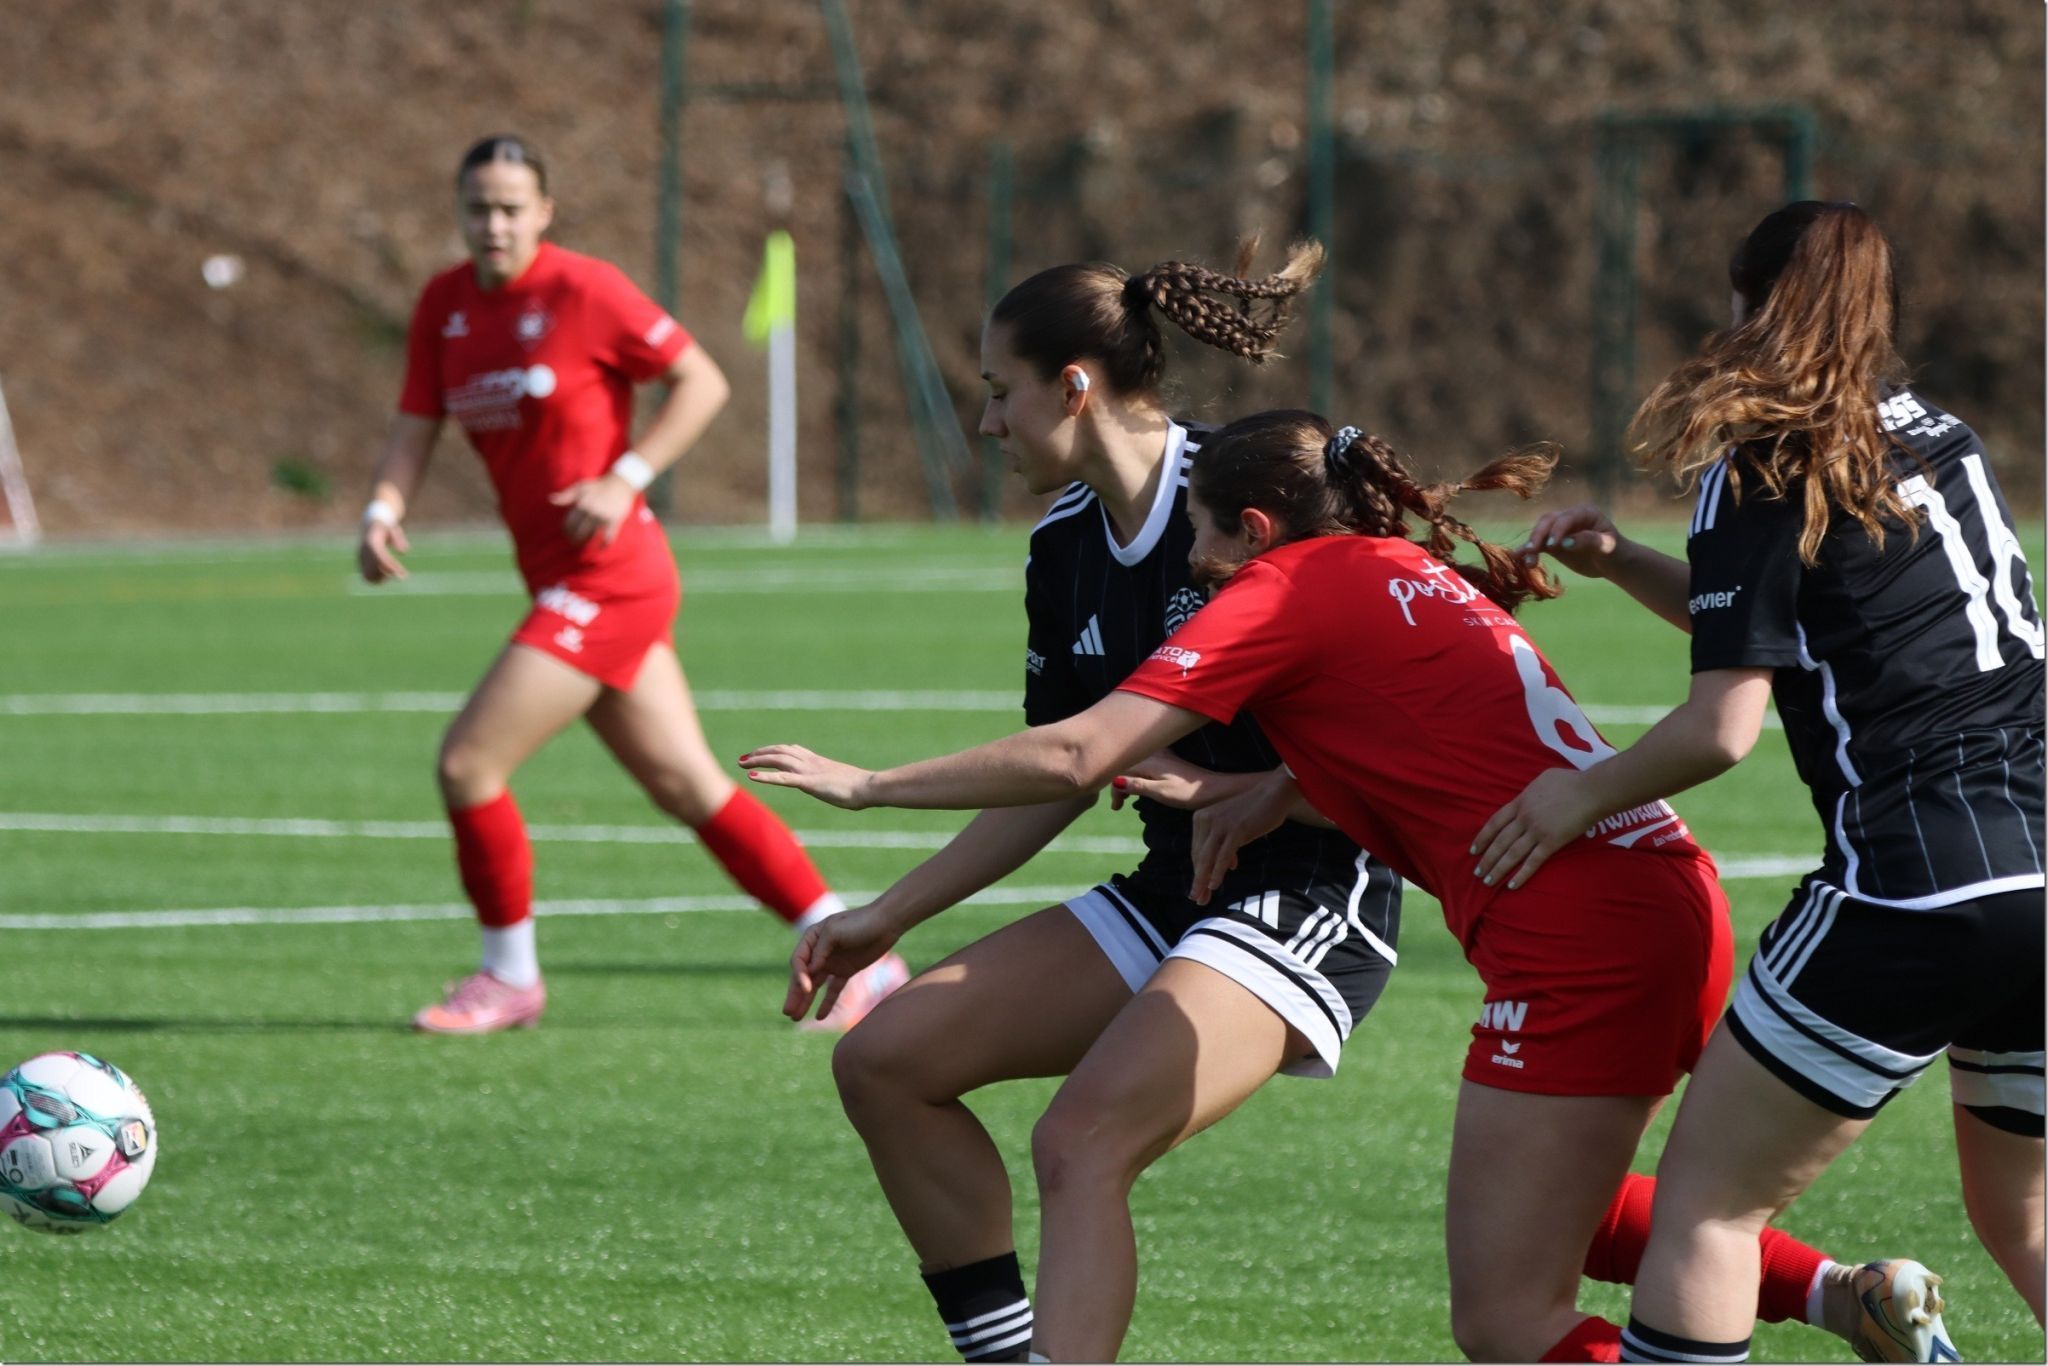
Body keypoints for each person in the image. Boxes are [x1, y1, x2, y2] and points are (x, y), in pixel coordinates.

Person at [745, 409, 1926, 1362]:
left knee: (1504, 1316)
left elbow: (1072, 752)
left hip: (1583, 934)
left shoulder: (1286, 587)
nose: (1193, 566)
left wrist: (863, 787)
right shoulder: (1393, 571)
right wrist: (1260, 792)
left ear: (1253, 528)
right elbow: (1430, 737)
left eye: (1204, 542)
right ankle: (1836, 1297)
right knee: (1532, 1213)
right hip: (1647, 903)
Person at [740, 244, 1403, 1364]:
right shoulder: (1064, 543)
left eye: (1000, 393)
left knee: (1081, 1140)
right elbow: (1064, 770)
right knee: (885, 1062)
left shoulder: (1249, 497)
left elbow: (1406, 689)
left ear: (1073, 386)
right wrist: (892, 914)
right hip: (1172, 887)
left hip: (1310, 888)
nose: (988, 424)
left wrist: (866, 787)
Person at [1478, 201, 2043, 1365]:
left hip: (1914, 888)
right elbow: (1798, 624)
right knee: (2025, 1215)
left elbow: (1719, 726)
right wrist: (1624, 561)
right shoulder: (1943, 436)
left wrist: (1570, 797)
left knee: (1707, 1211)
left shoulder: (1762, 457)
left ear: (1749, 306)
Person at [355, 134, 906, 1033]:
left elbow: (700, 380)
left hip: (611, 576)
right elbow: (415, 425)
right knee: (691, 787)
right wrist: (382, 508)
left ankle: (509, 978)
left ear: (544, 212)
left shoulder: (584, 289)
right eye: (477, 208)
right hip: (561, 580)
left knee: (468, 762)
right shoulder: (445, 306)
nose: (492, 223)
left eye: (509, 207)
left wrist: (627, 476)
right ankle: (864, 959)